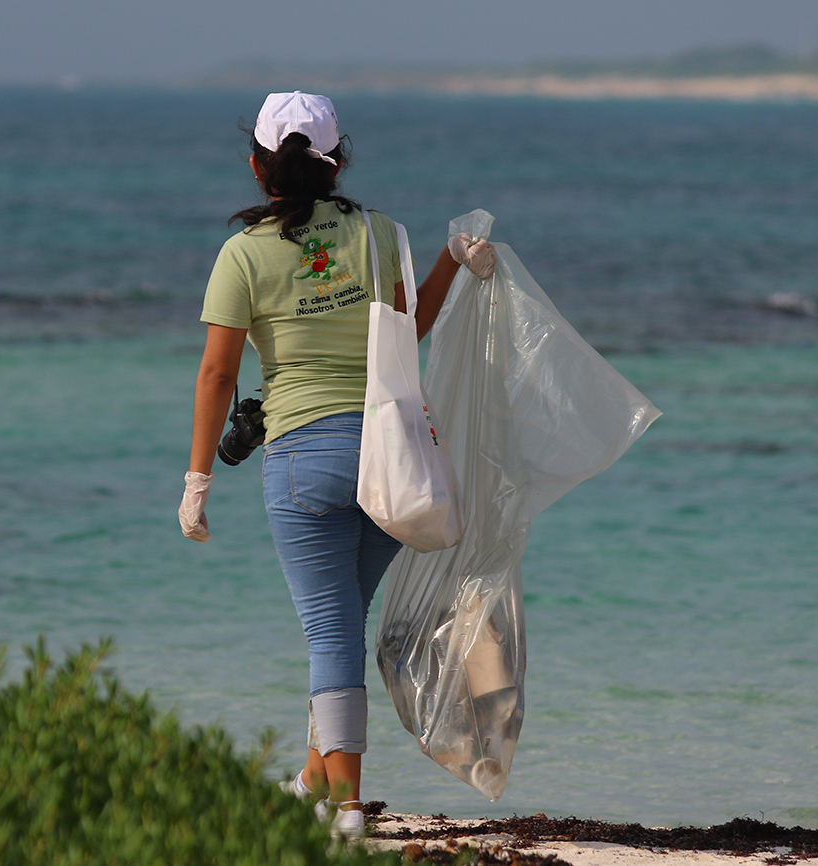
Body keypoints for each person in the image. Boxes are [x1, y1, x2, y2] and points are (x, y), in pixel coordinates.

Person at [178, 91, 494, 837]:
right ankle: (312, 783)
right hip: (392, 462)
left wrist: (197, 480)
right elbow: (407, 326)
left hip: (305, 463)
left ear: (258, 166)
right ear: (337, 161)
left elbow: (218, 376)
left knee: (329, 634)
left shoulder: (244, 253)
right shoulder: (381, 234)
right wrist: (450, 260)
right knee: (341, 627)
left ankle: (346, 809)